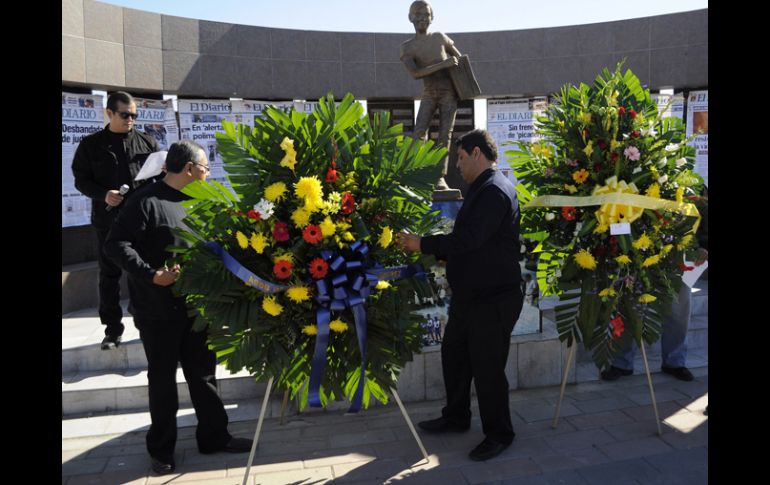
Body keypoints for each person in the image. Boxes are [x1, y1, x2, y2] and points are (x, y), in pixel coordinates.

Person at [104, 140, 252, 475]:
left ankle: (214, 437)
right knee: (162, 381)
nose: (208, 174)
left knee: (204, 375)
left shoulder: (202, 200)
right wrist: (151, 275)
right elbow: (115, 245)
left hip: (197, 308)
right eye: (205, 168)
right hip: (156, 311)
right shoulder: (145, 201)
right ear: (188, 169)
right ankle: (161, 450)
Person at [396, 129, 523, 461]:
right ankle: (456, 416)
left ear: (477, 153)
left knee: (487, 367)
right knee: (455, 355)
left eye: (461, 157)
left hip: (493, 298)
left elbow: (470, 239)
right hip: (472, 296)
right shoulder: (482, 187)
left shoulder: (494, 190)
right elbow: (471, 241)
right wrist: (444, 254)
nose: (457, 164)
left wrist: (423, 244)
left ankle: (499, 433)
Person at [72, 91, 160, 350]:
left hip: (141, 222)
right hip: (108, 221)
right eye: (125, 114)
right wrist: (104, 195)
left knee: (142, 274)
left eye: (134, 115)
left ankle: (146, 326)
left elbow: (158, 178)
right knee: (109, 275)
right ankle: (112, 330)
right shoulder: (91, 145)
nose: (130, 119)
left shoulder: (147, 142)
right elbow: (81, 180)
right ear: (109, 113)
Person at [601, 189, 708, 382]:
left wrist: (704, 245)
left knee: (678, 310)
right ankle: (621, 363)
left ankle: (675, 362)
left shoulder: (686, 183)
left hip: (676, 254)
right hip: (635, 249)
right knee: (629, 305)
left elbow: (700, 211)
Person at [400, 0, 461, 191]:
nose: (422, 18)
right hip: (429, 92)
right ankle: (417, 173)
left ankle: (439, 177)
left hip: (448, 93)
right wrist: (443, 64)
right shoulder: (407, 47)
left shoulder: (440, 37)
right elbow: (415, 73)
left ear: (432, 18)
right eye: (418, 14)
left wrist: (457, 73)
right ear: (410, 18)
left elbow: (460, 61)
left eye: (426, 14)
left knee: (444, 135)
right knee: (419, 133)